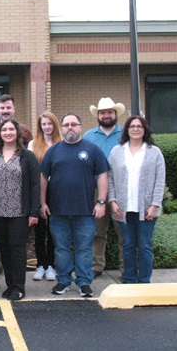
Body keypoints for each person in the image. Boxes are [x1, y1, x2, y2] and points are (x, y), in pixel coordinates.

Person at [40, 113, 109, 298]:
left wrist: (101, 202)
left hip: (85, 211)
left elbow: (103, 175)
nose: (70, 128)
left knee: (84, 249)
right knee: (61, 249)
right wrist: (42, 203)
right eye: (66, 125)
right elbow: (43, 178)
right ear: (61, 129)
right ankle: (63, 281)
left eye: (74, 124)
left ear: (80, 127)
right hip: (58, 211)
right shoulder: (53, 151)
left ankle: (84, 283)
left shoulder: (93, 150)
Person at [0, 119, 40, 300]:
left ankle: (19, 287)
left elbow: (35, 185)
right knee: (4, 249)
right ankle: (9, 285)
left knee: (17, 248)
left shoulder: (27, 156)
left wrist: (34, 212)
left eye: (11, 130)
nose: (8, 133)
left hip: (19, 213)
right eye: (4, 130)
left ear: (17, 133)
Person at [108, 115, 165, 284]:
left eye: (139, 126)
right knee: (128, 245)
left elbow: (160, 180)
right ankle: (130, 279)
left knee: (145, 246)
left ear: (145, 129)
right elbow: (110, 179)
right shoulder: (117, 151)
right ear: (127, 130)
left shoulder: (154, 152)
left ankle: (144, 280)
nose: (135, 129)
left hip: (146, 209)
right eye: (132, 126)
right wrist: (112, 201)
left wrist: (155, 205)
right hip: (123, 208)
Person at [84, 97, 126, 278]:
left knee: (123, 233)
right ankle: (97, 266)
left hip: (121, 190)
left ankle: (127, 269)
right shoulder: (89, 137)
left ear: (115, 114)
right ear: (98, 115)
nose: (106, 115)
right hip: (96, 191)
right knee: (97, 232)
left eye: (110, 112)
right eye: (103, 113)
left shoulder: (125, 135)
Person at [28, 111, 62, 282]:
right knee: (40, 230)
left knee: (55, 229)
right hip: (39, 191)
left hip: (57, 192)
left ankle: (52, 266)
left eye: (50, 124)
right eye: (44, 124)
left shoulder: (62, 144)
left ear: (54, 125)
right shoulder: (33, 145)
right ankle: (41, 264)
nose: (47, 127)